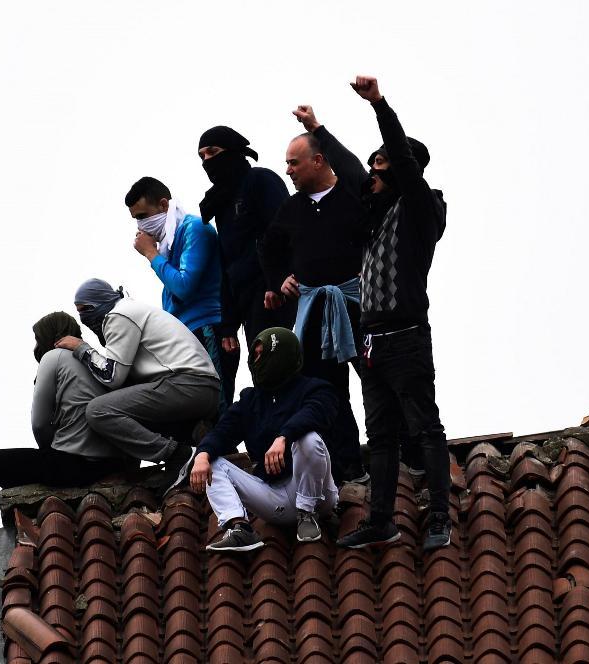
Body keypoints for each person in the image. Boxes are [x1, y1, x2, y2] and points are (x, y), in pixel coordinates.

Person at [334, 76, 452, 553]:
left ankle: (441, 517)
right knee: (380, 438)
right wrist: (319, 131)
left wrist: (379, 104)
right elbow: (347, 171)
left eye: (380, 164)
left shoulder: (420, 208)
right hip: (372, 344)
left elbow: (402, 158)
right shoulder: (375, 218)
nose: (372, 172)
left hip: (407, 338)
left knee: (425, 428)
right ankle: (381, 520)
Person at [258, 114, 369, 486]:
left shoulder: (354, 196)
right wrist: (279, 281)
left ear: (318, 160)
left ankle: (397, 455)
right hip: (314, 311)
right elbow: (268, 251)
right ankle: (345, 465)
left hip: (359, 305)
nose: (287, 170)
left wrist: (318, 127)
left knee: (376, 382)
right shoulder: (290, 209)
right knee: (326, 391)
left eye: (294, 162)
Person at [189, 327, 340, 551]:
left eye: (263, 354)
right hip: (275, 497)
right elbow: (223, 431)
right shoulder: (250, 400)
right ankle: (239, 528)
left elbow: (316, 413)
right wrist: (202, 454)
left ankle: (307, 514)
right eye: (255, 355)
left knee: (308, 438)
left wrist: (285, 437)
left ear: (280, 355)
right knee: (211, 461)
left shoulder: (315, 389)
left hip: (318, 495)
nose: (256, 360)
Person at [54, 279, 220, 481]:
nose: (83, 318)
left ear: (101, 302)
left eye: (86, 309)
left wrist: (82, 348)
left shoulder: (118, 315)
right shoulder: (130, 310)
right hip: (201, 387)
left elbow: (112, 376)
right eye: (79, 312)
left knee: (99, 411)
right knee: (124, 402)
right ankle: (191, 432)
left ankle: (177, 455)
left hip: (187, 384)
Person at [0, 312, 137, 489]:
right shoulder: (95, 360)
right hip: (115, 462)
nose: (35, 347)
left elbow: (39, 424)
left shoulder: (53, 357)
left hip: (78, 464)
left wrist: (49, 451)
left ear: (49, 335)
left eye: (37, 339)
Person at [197, 126, 294, 396]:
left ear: (234, 152)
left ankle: (292, 435)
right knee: (261, 373)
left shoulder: (260, 180)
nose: (207, 161)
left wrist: (274, 284)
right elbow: (228, 265)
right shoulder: (220, 202)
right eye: (202, 156)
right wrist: (228, 323)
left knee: (277, 370)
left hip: (272, 295)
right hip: (244, 300)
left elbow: (283, 234)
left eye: (213, 152)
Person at [124, 176, 229, 416]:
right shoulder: (168, 241)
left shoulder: (194, 229)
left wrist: (151, 254)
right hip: (185, 333)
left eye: (143, 216)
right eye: (135, 220)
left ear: (163, 205)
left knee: (217, 404)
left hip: (207, 327)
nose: (140, 227)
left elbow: (183, 286)